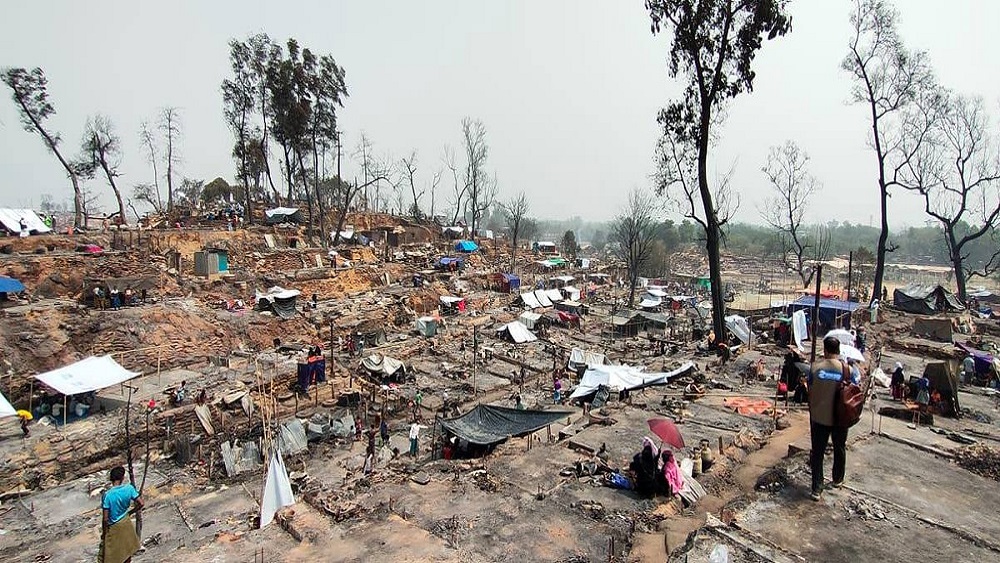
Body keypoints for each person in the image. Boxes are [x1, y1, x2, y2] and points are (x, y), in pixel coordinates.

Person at [806, 336, 857, 501]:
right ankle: (837, 479)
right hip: (841, 417)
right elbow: (855, 392)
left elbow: (811, 391)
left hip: (820, 416)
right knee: (839, 448)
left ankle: (817, 488)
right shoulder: (848, 370)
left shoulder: (815, 369)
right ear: (839, 350)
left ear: (825, 350)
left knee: (818, 453)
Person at [100, 466, 143, 563]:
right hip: (126, 523)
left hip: (114, 526)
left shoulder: (107, 495)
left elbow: (105, 519)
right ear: (122, 477)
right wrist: (130, 512)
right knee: (127, 553)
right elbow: (141, 503)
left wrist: (104, 533)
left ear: (111, 479)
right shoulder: (129, 488)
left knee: (109, 556)